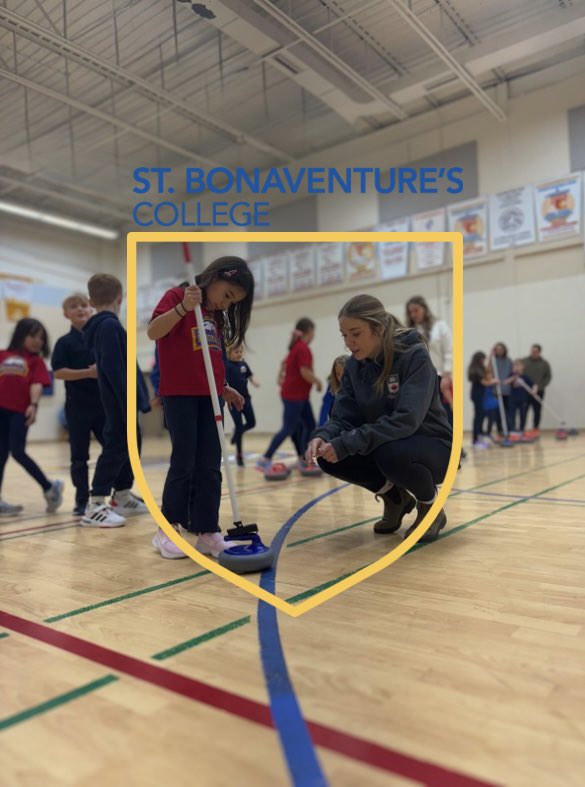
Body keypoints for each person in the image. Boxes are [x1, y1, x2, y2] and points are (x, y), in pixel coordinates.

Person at [307, 295, 452, 542]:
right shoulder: (354, 366)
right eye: (344, 335)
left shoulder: (414, 356)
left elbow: (406, 420)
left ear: (378, 329)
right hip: (390, 443)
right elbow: (342, 416)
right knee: (330, 457)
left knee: (387, 451)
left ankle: (431, 507)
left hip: (434, 446)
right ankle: (395, 497)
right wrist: (323, 436)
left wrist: (349, 442)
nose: (349, 343)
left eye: (355, 333)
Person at [147, 256, 253, 559]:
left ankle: (207, 530)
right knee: (184, 462)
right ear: (213, 278)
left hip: (210, 397)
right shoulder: (177, 297)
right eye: (228, 295)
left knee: (210, 464)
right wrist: (182, 308)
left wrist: (224, 388)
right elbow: (154, 332)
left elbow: (210, 359)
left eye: (234, 302)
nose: (227, 304)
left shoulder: (214, 316)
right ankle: (167, 529)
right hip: (179, 395)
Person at [82, 274, 150, 527]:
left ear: (90, 301)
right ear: (120, 298)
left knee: (131, 442)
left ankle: (121, 494)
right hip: (119, 400)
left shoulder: (106, 325)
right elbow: (113, 368)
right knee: (116, 446)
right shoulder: (109, 326)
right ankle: (95, 504)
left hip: (121, 399)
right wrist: (127, 400)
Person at [0, 318, 64, 515]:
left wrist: (34, 405)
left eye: (42, 338)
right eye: (33, 336)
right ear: (21, 334)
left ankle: (49, 487)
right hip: (0, 411)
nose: (38, 341)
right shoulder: (2, 355)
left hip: (20, 411)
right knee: (0, 455)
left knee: (18, 451)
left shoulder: (35, 361)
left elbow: (36, 384)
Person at [51, 293, 105, 516]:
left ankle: (110, 493)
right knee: (79, 457)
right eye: (74, 307)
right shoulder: (64, 342)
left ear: (91, 308)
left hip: (103, 405)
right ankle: (82, 499)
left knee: (114, 449)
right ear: (66, 314)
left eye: (84, 305)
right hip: (77, 408)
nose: (80, 309)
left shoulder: (101, 337)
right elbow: (59, 372)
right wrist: (88, 373)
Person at [256, 318, 322, 476]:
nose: (314, 335)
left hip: (299, 396)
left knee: (310, 425)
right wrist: (318, 382)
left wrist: (281, 377)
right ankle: (265, 458)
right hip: (294, 396)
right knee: (289, 427)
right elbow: (305, 372)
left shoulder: (296, 347)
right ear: (310, 332)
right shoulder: (303, 348)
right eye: (313, 332)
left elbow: (283, 363)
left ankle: (304, 459)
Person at [406, 295, 466, 458]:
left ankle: (456, 448)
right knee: (426, 417)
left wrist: (447, 374)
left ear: (424, 309)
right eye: (410, 312)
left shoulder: (440, 327)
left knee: (447, 414)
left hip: (440, 377)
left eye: (416, 310)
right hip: (420, 381)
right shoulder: (409, 332)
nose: (413, 315)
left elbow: (450, 350)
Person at [226, 344, 259, 466]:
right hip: (233, 400)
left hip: (246, 398)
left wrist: (254, 382)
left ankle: (236, 433)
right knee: (239, 425)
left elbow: (249, 375)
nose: (239, 354)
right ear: (229, 353)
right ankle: (239, 455)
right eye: (236, 352)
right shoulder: (227, 366)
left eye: (240, 351)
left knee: (252, 422)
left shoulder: (243, 364)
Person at [467, 351, 496, 447]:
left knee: (481, 416)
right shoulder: (476, 370)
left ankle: (479, 438)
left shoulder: (479, 369)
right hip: (478, 395)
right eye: (483, 359)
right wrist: (494, 381)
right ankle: (475, 440)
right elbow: (485, 383)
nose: (484, 361)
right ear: (480, 360)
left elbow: (487, 368)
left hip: (479, 395)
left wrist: (491, 357)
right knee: (478, 417)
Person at [522, 344, 552, 433]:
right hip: (525, 391)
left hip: (539, 391)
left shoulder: (544, 363)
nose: (533, 353)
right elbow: (519, 373)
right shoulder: (524, 361)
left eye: (535, 351)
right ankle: (521, 429)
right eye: (532, 351)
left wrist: (539, 386)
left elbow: (548, 377)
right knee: (524, 410)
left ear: (539, 352)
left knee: (537, 411)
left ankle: (535, 428)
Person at [507, 359, 536, 434]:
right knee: (512, 415)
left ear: (523, 367)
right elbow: (506, 382)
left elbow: (534, 385)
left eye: (518, 365)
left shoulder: (525, 377)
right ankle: (512, 430)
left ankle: (521, 430)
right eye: (515, 365)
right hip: (513, 399)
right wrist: (514, 377)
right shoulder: (511, 375)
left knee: (523, 415)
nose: (517, 367)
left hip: (523, 399)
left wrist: (534, 390)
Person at [318, 355, 348, 426]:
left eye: (344, 374)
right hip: (336, 421)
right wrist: (321, 427)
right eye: (338, 374)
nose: (341, 378)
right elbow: (325, 406)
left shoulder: (356, 386)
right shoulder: (332, 385)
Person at [489, 342, 513, 432]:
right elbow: (488, 370)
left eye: (501, 349)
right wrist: (490, 356)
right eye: (497, 349)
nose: (499, 351)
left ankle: (508, 430)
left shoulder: (509, 361)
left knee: (507, 411)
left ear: (504, 350)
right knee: (498, 412)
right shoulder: (493, 360)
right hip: (496, 390)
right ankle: (500, 430)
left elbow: (513, 373)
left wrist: (510, 380)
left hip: (507, 390)